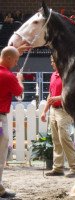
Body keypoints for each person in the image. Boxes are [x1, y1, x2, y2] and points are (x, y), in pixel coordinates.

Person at [41, 56, 75, 178]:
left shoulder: (67, 75)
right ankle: (58, 168)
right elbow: (50, 94)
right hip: (54, 110)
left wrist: (57, 98)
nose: (52, 64)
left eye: (53, 62)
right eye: (51, 62)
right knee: (56, 139)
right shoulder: (53, 75)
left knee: (64, 137)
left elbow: (72, 94)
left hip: (64, 111)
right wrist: (44, 111)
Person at [0, 44, 29, 198]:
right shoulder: (8, 76)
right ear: (9, 58)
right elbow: (19, 93)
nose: (16, 63)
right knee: (0, 154)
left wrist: (18, 49)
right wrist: (19, 80)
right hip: (0, 118)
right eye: (16, 60)